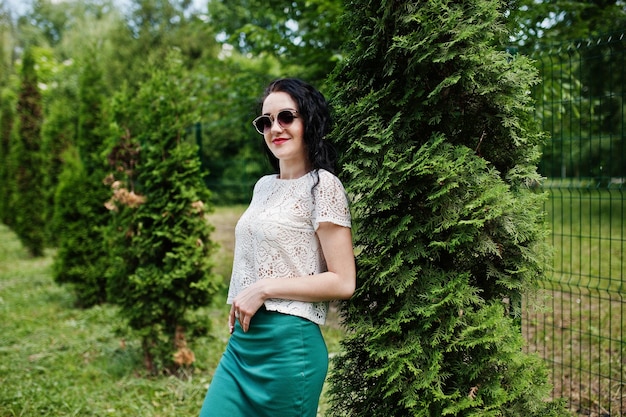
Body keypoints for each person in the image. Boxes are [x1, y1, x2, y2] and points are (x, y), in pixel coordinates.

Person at [198, 78, 356, 417]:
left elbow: (343, 281)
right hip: (243, 345)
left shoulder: (323, 186)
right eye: (266, 121)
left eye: (286, 117)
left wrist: (264, 288)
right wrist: (247, 293)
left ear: (308, 121)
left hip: (289, 347)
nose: (275, 128)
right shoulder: (263, 186)